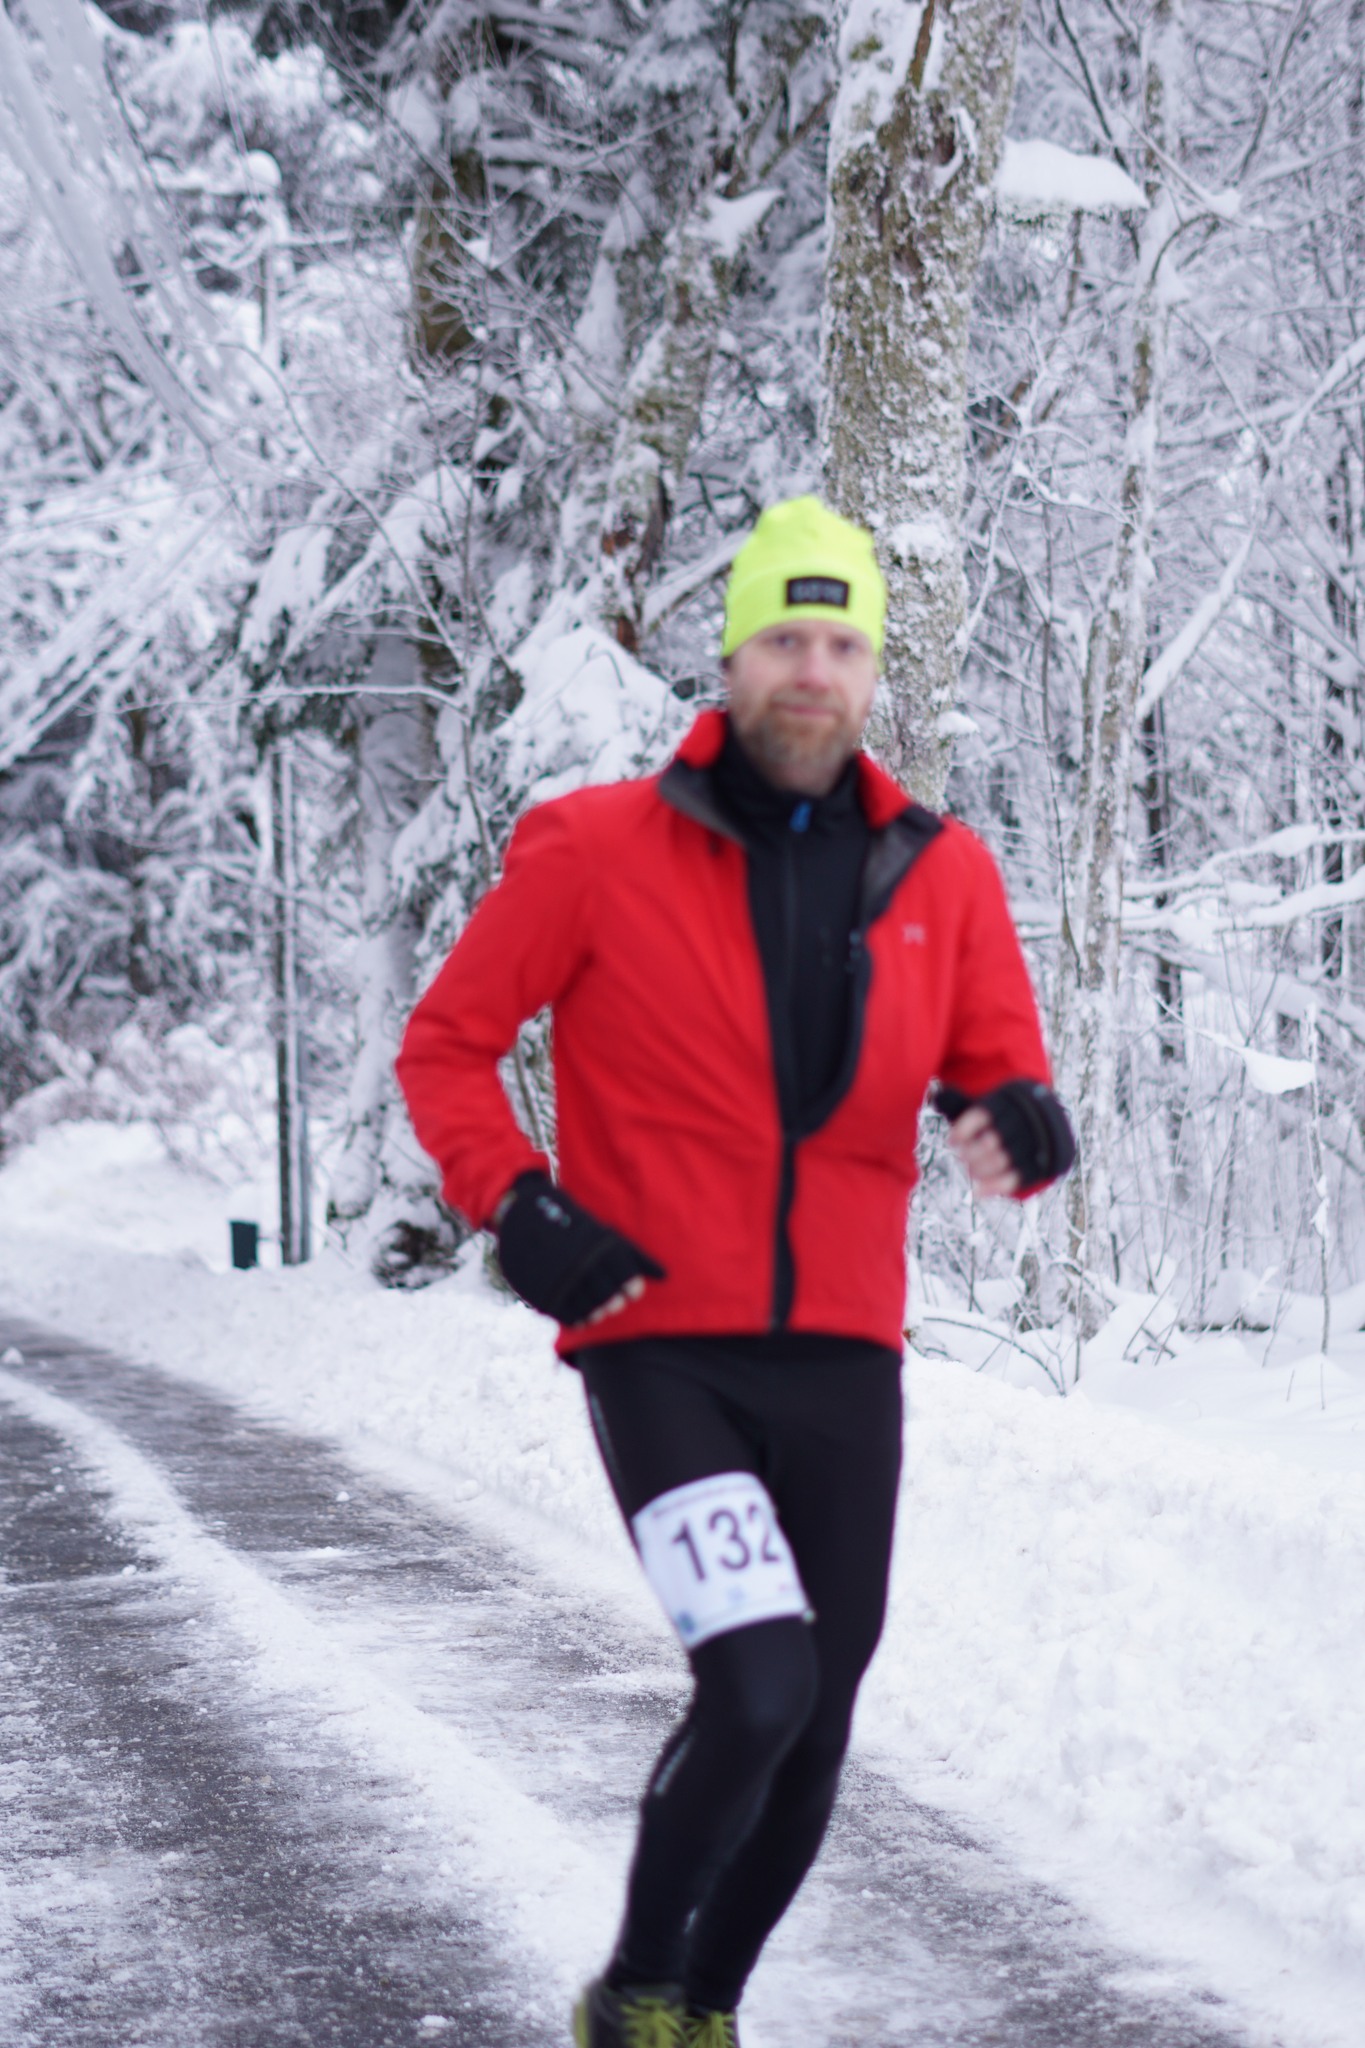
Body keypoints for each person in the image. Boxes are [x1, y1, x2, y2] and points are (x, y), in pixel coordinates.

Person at [396, 497, 1074, 2048]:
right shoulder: (593, 850)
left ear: (872, 671)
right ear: (733, 658)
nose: (811, 671)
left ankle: (701, 2009)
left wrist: (1022, 1126)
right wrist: (517, 1203)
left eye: (840, 644)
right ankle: (636, 1989)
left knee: (817, 1724)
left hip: (843, 1355)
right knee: (759, 1684)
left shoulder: (940, 873)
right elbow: (446, 1045)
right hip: (658, 1344)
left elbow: (999, 1076)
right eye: (784, 637)